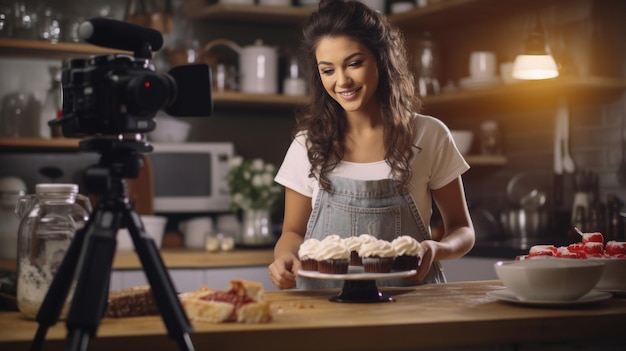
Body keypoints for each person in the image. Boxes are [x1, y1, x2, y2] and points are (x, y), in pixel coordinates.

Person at [268, 0, 475, 290]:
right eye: (328, 70)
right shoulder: (308, 143)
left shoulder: (429, 134)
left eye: (354, 63)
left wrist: (436, 249)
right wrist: (285, 258)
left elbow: (462, 229)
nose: (342, 81)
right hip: (325, 308)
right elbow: (291, 232)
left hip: (410, 307)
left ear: (380, 59)